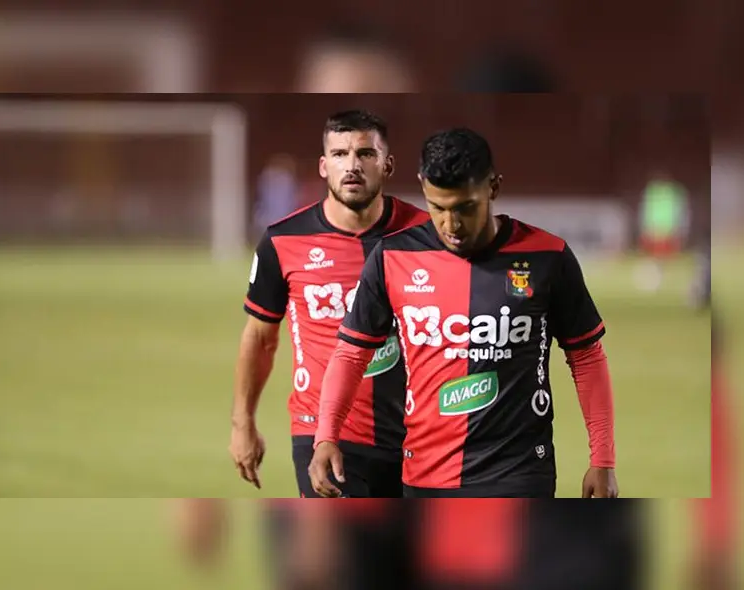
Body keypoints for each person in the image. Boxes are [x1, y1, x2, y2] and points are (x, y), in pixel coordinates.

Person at [309, 127, 618, 498]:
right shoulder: (393, 257)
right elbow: (351, 352)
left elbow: (586, 356)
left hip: (519, 472)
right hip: (424, 473)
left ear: (493, 187)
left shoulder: (547, 256)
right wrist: (326, 436)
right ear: (423, 186)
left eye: (465, 208)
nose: (451, 225)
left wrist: (602, 459)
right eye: (437, 207)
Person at [229, 109, 428, 498]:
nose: (352, 166)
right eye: (339, 154)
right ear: (323, 166)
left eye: (365, 154)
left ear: (387, 164)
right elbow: (260, 337)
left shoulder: (425, 237)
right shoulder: (282, 242)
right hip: (324, 435)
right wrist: (243, 423)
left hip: (419, 436)